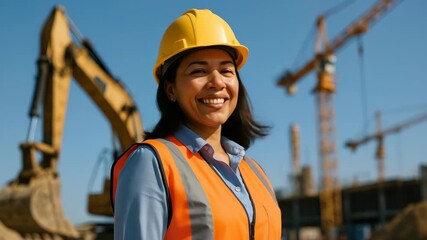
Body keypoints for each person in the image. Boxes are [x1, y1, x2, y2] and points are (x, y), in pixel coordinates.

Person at [111, 8, 282, 240]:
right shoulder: (151, 163)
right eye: (199, 71)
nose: (217, 82)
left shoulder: (254, 171)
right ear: (171, 89)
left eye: (226, 70)